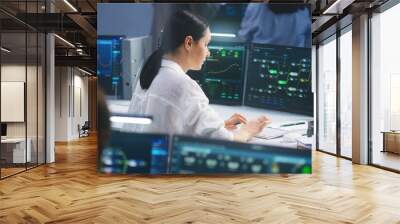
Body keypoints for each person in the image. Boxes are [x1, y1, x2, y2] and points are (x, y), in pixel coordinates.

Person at [126, 10, 269, 142]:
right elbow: (226, 141)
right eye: (206, 44)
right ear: (188, 43)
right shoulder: (182, 84)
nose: (208, 52)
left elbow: (169, 121)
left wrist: (220, 124)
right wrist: (248, 130)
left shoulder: (150, 70)